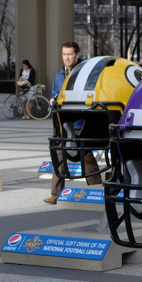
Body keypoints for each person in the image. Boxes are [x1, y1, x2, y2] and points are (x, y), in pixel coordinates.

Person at [45, 41, 81, 204]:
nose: (66, 58)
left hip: (80, 123)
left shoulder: (83, 72)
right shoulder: (59, 75)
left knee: (86, 157)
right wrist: (52, 100)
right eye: (64, 54)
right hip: (62, 124)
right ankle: (56, 194)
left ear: (77, 55)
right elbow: (54, 94)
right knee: (58, 155)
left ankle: (97, 192)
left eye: (70, 54)